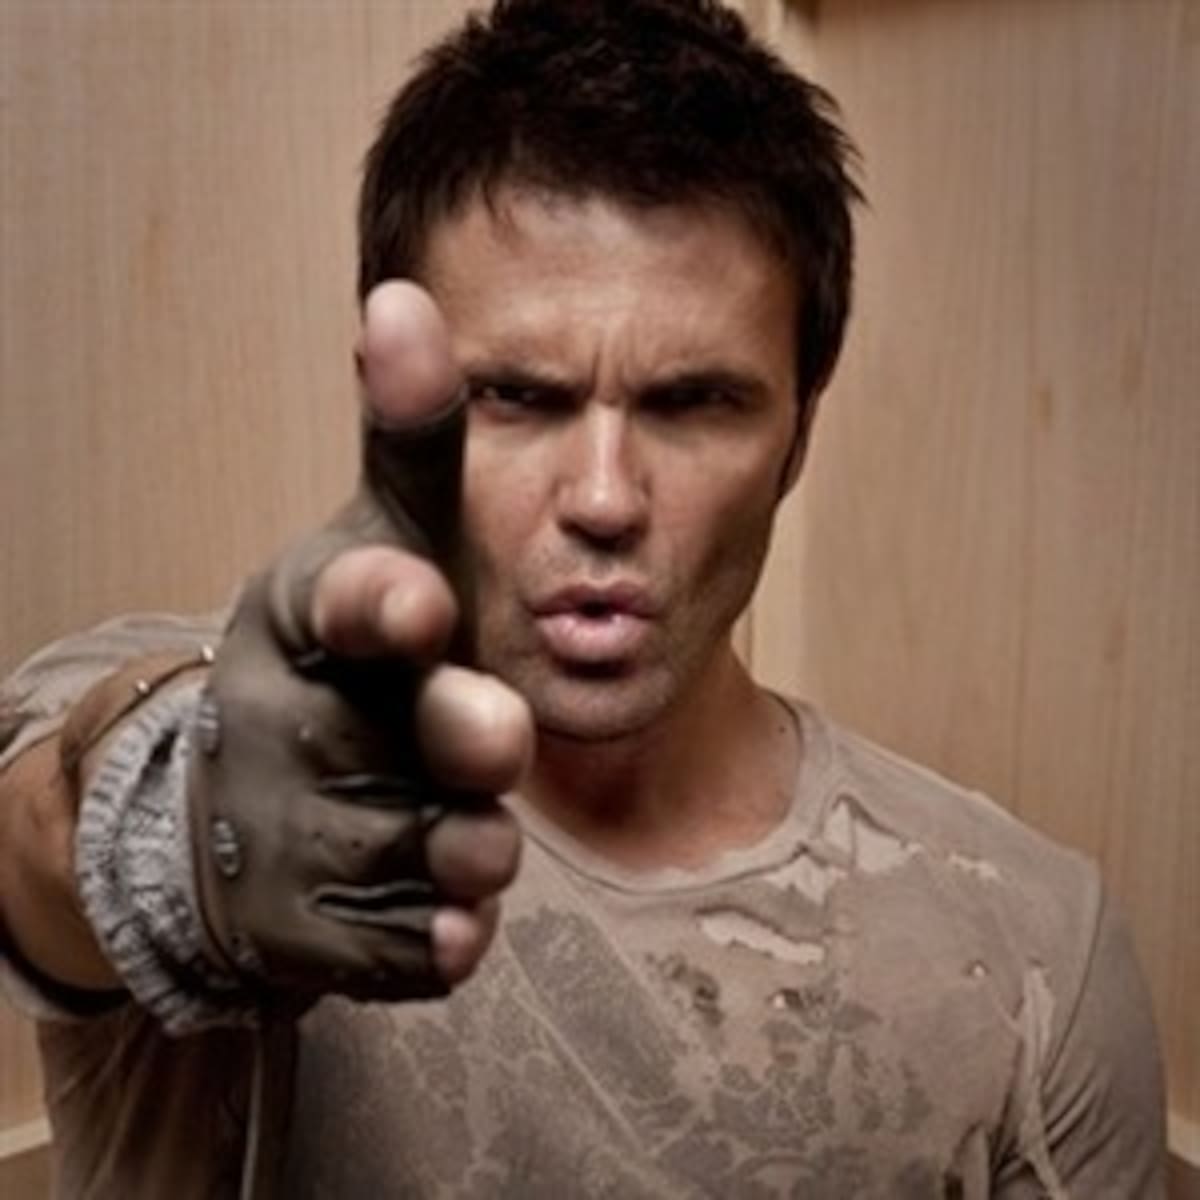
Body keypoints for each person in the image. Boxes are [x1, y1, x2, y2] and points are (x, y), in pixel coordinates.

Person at [0, 1, 1166, 1196]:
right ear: (397, 404)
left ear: (800, 430)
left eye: (693, 401)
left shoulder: (1034, 948)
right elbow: (50, 832)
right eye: (516, 395)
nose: (604, 498)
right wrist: (179, 839)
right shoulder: (218, 721)